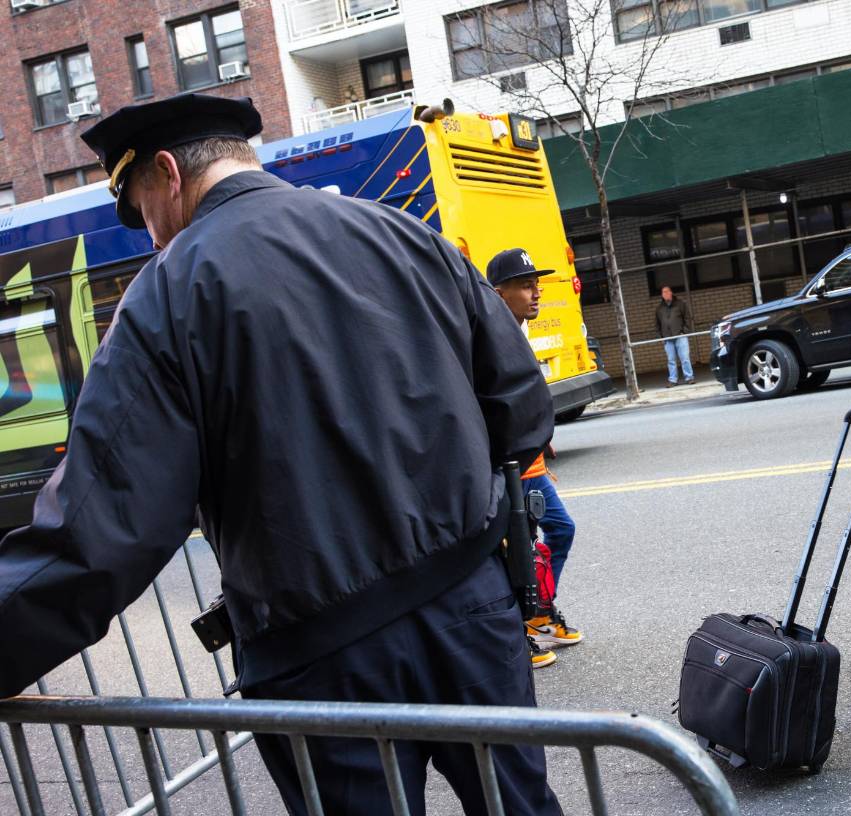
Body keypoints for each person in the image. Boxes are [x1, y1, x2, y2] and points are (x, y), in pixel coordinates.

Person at [0, 93, 562, 815]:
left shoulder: (166, 295)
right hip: (471, 609)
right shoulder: (402, 234)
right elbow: (520, 410)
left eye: (141, 207)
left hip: (323, 657)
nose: (149, 234)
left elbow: (99, 530)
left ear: (167, 173)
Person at [487, 248, 584, 667]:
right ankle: (518, 629)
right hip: (511, 469)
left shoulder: (517, 333)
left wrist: (540, 436)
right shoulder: (489, 338)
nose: (535, 292)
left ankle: (538, 611)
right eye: (525, 285)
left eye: (536, 284)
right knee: (517, 551)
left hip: (532, 464)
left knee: (559, 531)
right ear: (498, 293)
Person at [655, 285, 695, 386]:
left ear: (671, 292)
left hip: (680, 336)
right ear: (662, 295)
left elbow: (687, 318)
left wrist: (684, 331)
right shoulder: (659, 308)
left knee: (685, 358)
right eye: (663, 292)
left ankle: (689, 377)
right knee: (671, 360)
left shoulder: (680, 304)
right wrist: (661, 336)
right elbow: (657, 324)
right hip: (668, 338)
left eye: (667, 291)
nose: (666, 294)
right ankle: (673, 380)